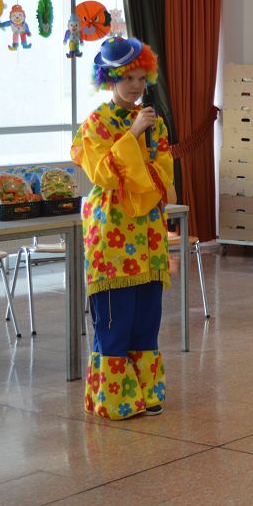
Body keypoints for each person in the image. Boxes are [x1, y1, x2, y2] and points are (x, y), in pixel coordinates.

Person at [71, 36, 174, 420]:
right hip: (111, 233)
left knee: (147, 317)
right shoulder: (95, 124)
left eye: (141, 78)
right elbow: (103, 174)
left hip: (147, 232)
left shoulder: (155, 123)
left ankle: (147, 391)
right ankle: (114, 398)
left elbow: (163, 171)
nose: (135, 86)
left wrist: (143, 150)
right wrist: (131, 136)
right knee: (115, 319)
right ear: (109, 79)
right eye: (127, 78)